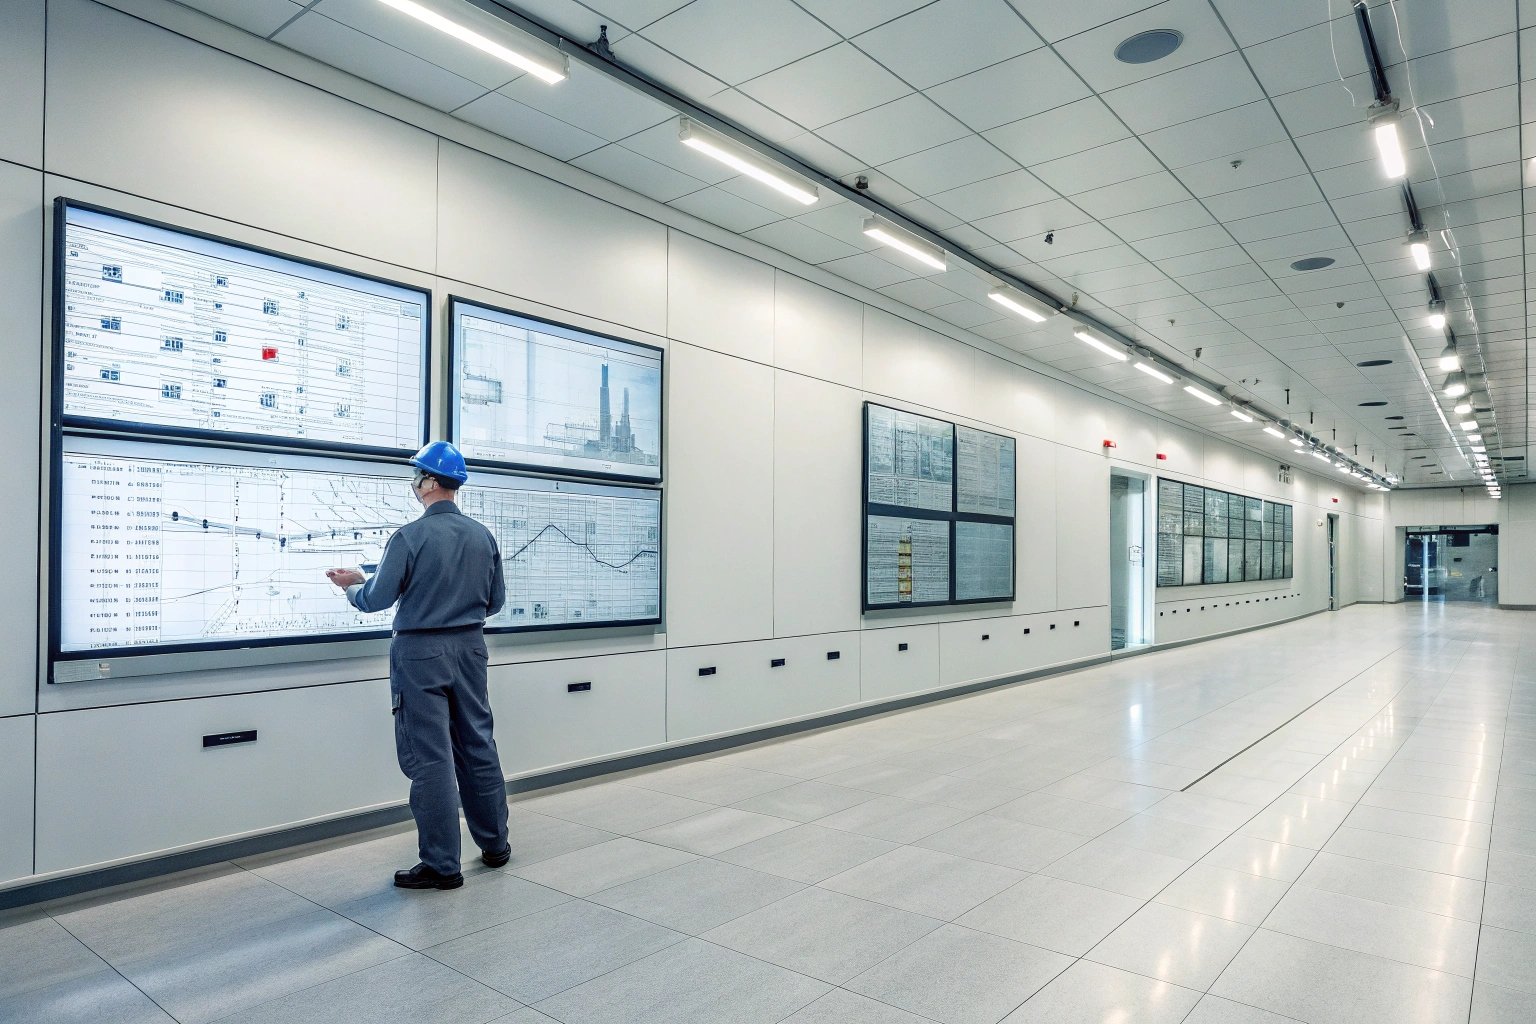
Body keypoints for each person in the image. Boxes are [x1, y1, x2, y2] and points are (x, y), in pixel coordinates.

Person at [325, 441, 510, 891]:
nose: (415, 484)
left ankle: (443, 865)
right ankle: (496, 846)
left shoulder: (409, 537)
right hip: (470, 650)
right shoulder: (482, 536)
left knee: (430, 759)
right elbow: (497, 601)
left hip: (420, 655)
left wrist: (353, 586)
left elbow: (376, 599)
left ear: (428, 483)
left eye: (417, 476)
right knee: (477, 745)